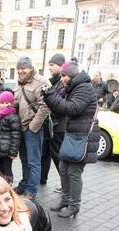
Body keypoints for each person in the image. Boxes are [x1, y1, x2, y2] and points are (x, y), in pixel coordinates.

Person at [43, 61, 100, 218]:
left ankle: (74, 206)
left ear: (73, 75)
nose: (62, 79)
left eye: (64, 75)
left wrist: (51, 96)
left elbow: (72, 109)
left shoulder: (84, 88)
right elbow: (60, 107)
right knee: (63, 168)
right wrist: (49, 96)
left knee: (74, 172)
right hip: (73, 134)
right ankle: (66, 200)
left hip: (82, 137)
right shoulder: (74, 87)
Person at [14, 56, 49, 199]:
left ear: (30, 68)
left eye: (24, 68)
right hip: (21, 127)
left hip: (32, 128)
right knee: (24, 158)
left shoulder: (41, 82)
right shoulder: (19, 84)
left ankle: (32, 190)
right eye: (19, 68)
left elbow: (45, 106)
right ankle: (24, 184)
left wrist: (33, 127)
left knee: (34, 161)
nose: (21, 71)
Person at [45, 53, 66, 192]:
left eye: (52, 65)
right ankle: (65, 185)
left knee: (59, 155)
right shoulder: (55, 81)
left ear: (60, 65)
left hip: (61, 125)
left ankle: (66, 185)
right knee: (55, 154)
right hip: (56, 124)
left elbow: (59, 104)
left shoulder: (62, 83)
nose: (50, 68)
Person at [0, 91, 21, 185]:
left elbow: (16, 135)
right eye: (2, 103)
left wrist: (13, 152)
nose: (4, 105)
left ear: (12, 103)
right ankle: (0, 186)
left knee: (7, 169)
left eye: (7, 103)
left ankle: (8, 186)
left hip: (7, 150)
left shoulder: (13, 117)